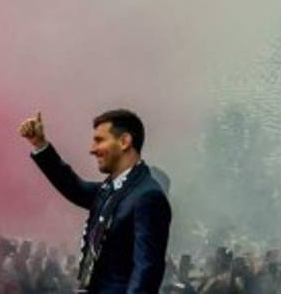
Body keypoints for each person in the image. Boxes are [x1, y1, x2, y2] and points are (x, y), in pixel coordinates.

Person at [19, 109, 171, 294]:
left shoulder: (148, 196)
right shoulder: (112, 189)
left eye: (99, 140)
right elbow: (75, 188)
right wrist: (40, 144)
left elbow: (146, 273)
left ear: (124, 141)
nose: (92, 150)